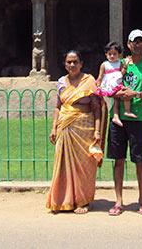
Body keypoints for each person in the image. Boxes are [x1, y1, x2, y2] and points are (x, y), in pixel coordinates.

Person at [107, 29, 142, 216]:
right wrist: (115, 92)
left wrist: (136, 94)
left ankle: (141, 199)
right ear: (129, 45)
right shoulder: (121, 63)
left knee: (140, 160)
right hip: (118, 118)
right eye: (134, 42)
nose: (137, 45)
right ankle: (118, 201)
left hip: (139, 118)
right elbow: (108, 83)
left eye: (141, 42)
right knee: (118, 160)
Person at [46, 50, 104, 214]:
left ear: (81, 64)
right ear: (65, 64)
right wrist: (54, 127)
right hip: (64, 126)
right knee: (62, 163)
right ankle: (63, 200)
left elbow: (96, 108)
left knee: (84, 166)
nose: (72, 65)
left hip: (84, 127)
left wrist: (98, 131)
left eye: (75, 62)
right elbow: (58, 106)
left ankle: (82, 201)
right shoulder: (61, 82)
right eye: (69, 62)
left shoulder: (89, 80)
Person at [96, 41, 135, 127]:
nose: (112, 56)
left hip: (117, 84)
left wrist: (125, 65)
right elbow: (100, 76)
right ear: (106, 54)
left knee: (125, 94)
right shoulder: (104, 65)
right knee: (114, 101)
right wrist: (98, 85)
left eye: (114, 54)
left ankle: (126, 111)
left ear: (119, 54)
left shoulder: (119, 63)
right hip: (108, 86)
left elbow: (122, 72)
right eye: (110, 54)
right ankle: (115, 116)